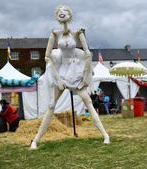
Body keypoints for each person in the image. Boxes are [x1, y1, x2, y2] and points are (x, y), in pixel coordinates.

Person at [30, 5, 109, 149]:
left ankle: (105, 135)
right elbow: (47, 57)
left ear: (70, 15)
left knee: (88, 102)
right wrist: (58, 78)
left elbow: (87, 54)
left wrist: (86, 74)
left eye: (65, 11)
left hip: (76, 70)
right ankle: (36, 140)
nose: (62, 13)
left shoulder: (77, 33)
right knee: (51, 105)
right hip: (62, 71)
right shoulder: (55, 34)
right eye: (60, 12)